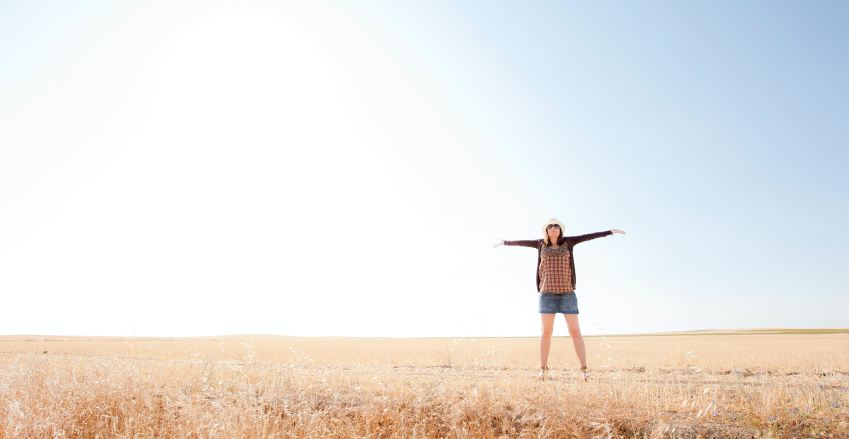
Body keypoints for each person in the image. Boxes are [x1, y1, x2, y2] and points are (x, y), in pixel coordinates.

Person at [495, 219, 625, 381]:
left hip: (567, 295)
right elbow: (521, 243)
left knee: (575, 332)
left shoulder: (568, 243)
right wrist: (505, 242)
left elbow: (589, 236)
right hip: (547, 295)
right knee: (546, 332)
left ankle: (584, 370)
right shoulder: (539, 244)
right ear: (546, 231)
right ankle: (543, 369)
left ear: (560, 230)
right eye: (551, 226)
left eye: (557, 226)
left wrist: (610, 232)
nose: (554, 228)